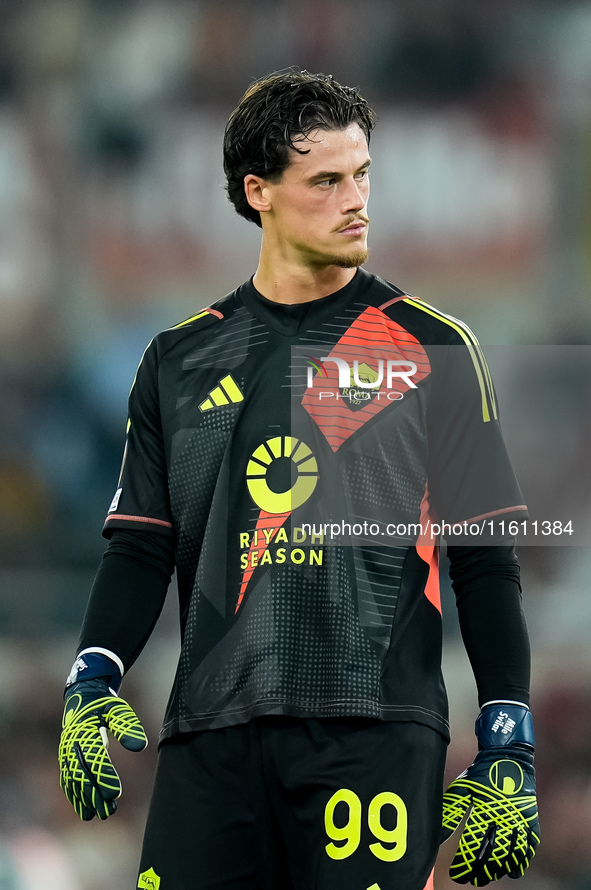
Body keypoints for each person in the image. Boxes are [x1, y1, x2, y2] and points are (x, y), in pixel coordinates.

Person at [58, 70, 540, 890]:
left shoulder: (435, 347)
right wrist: (93, 672)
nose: (356, 201)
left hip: (374, 730)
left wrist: (508, 736)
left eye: (362, 176)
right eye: (326, 180)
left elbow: (485, 559)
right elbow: (141, 546)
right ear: (260, 192)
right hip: (210, 735)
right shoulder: (178, 359)